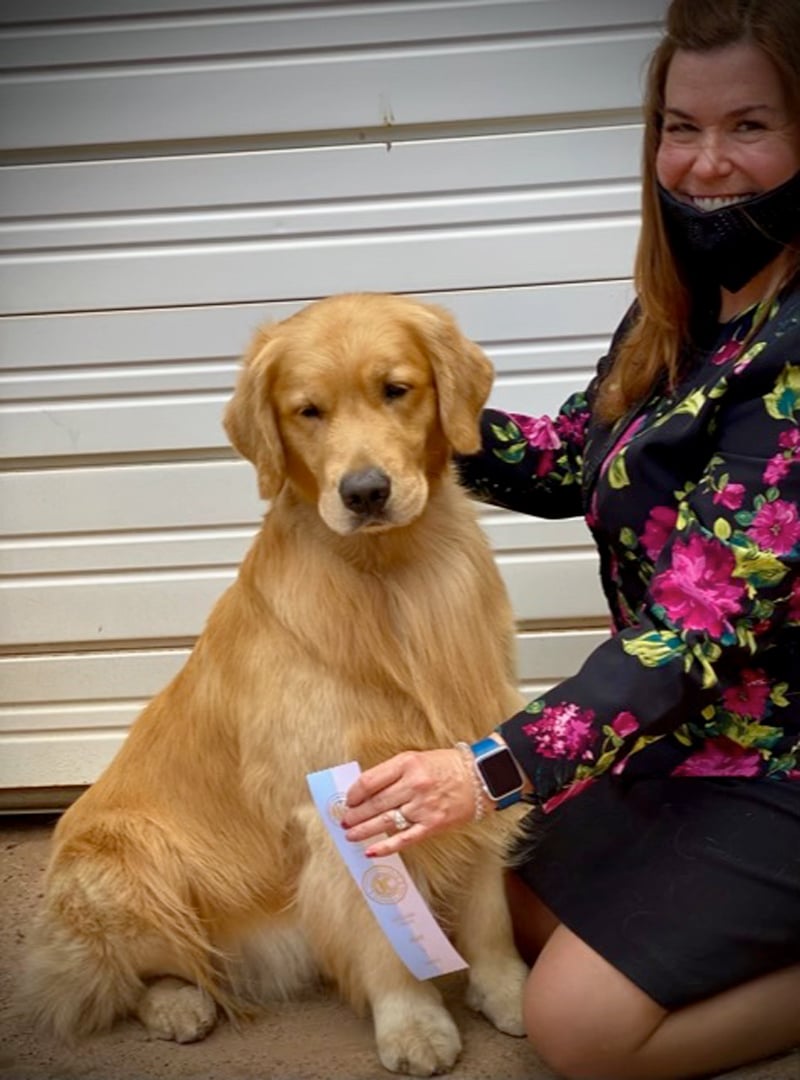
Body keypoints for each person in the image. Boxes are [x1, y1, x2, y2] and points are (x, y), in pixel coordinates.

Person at [340, 1, 800, 1077]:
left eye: (748, 126)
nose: (704, 164)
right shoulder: (679, 312)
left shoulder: (788, 363)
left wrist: (486, 770)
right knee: (477, 904)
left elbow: (688, 632)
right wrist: (402, 415)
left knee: (578, 1031)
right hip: (673, 744)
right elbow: (566, 460)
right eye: (678, 127)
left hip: (776, 764)